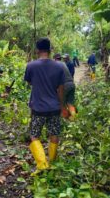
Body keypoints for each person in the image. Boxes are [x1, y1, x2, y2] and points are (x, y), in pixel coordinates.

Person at [24, 38, 65, 173]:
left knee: (34, 135)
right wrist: (62, 106)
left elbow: (30, 83)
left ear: (37, 50)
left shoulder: (31, 66)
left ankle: (42, 165)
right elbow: (60, 89)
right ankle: (52, 162)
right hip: (54, 107)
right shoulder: (59, 66)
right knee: (54, 133)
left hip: (38, 108)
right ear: (50, 50)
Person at [54, 54, 76, 120]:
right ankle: (73, 118)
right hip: (72, 84)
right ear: (60, 58)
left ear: (54, 59)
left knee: (62, 103)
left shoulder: (55, 65)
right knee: (70, 103)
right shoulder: (64, 64)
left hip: (65, 85)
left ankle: (65, 120)